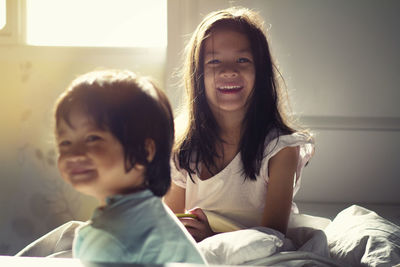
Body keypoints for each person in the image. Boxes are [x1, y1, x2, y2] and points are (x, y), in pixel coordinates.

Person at [163, 7, 314, 242]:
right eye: (214, 61)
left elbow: (273, 237)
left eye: (242, 60)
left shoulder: (281, 149)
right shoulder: (182, 147)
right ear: (198, 74)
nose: (229, 71)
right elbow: (173, 226)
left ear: (260, 71)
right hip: (199, 250)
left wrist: (213, 236)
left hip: (259, 252)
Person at [51, 69, 206, 264]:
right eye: (65, 142)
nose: (74, 154)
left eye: (92, 138)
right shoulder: (153, 216)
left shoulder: (110, 238)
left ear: (144, 151)